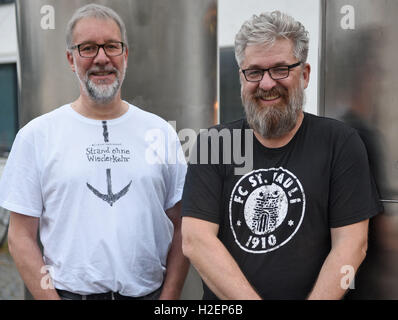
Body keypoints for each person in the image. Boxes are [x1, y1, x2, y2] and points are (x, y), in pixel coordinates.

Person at [181, 11, 382, 300]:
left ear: (305, 74)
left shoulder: (340, 142)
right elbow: (196, 241)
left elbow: (351, 244)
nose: (266, 83)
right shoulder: (214, 143)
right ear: (242, 77)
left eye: (280, 69)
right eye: (255, 72)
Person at [0, 4, 189, 300]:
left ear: (125, 55)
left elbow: (183, 227)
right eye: (87, 48)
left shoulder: (160, 133)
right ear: (70, 59)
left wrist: (169, 298)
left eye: (111, 46)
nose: (102, 58)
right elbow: (20, 237)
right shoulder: (36, 136)